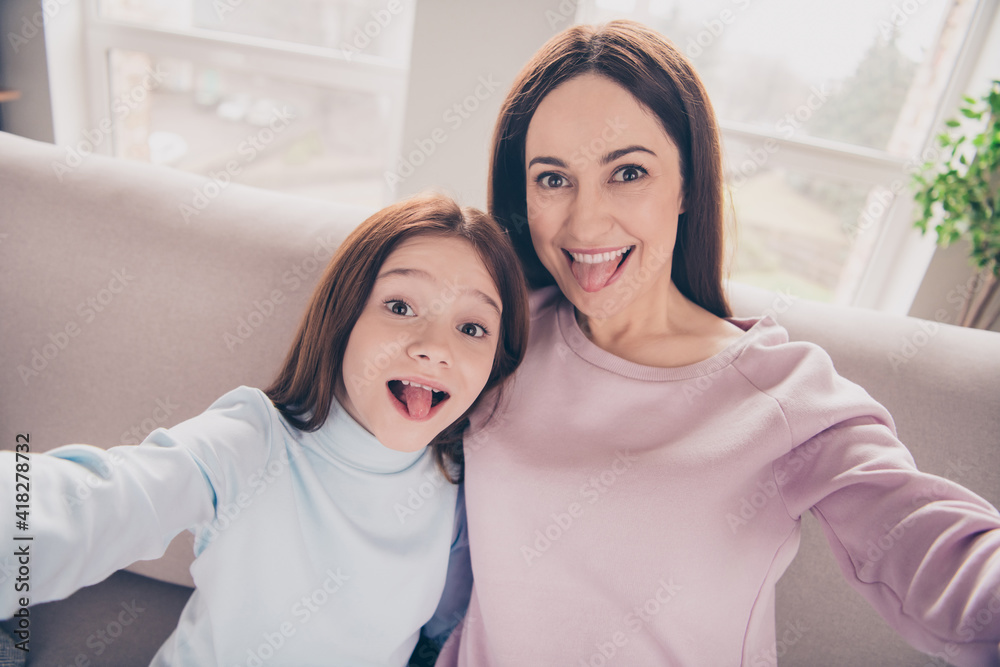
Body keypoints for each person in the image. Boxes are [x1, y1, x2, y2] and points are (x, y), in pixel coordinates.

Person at [435, 20, 1000, 667]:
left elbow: (932, 549)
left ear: (687, 184)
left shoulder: (783, 396)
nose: (585, 223)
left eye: (627, 172)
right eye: (553, 179)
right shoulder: (496, 328)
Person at [0, 193, 529, 666]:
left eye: (472, 327)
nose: (435, 347)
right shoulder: (252, 442)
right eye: (399, 306)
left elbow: (449, 631)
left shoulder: (459, 482)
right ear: (342, 318)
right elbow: (99, 501)